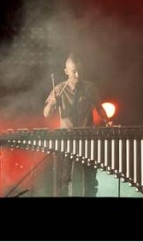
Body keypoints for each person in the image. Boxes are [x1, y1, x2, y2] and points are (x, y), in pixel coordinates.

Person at [43, 53, 108, 197]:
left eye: (79, 71)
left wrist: (108, 120)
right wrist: (52, 103)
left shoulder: (90, 87)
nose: (77, 75)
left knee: (90, 177)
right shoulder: (59, 89)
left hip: (87, 137)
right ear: (66, 72)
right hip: (66, 137)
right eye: (73, 72)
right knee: (65, 177)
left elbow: (99, 108)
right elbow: (46, 114)